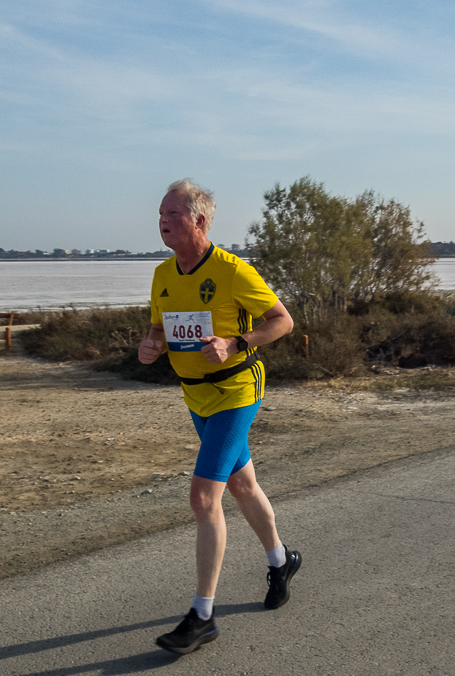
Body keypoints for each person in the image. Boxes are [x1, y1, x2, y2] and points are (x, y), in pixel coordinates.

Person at [139, 179, 300, 655]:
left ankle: (202, 615)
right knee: (243, 486)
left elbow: (283, 321)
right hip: (195, 397)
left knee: (203, 498)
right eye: (160, 213)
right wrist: (150, 348)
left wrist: (236, 342)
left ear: (200, 221)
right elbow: (157, 331)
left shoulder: (233, 272)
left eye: (172, 213)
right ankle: (281, 560)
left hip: (236, 391)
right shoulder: (163, 274)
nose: (162, 220)